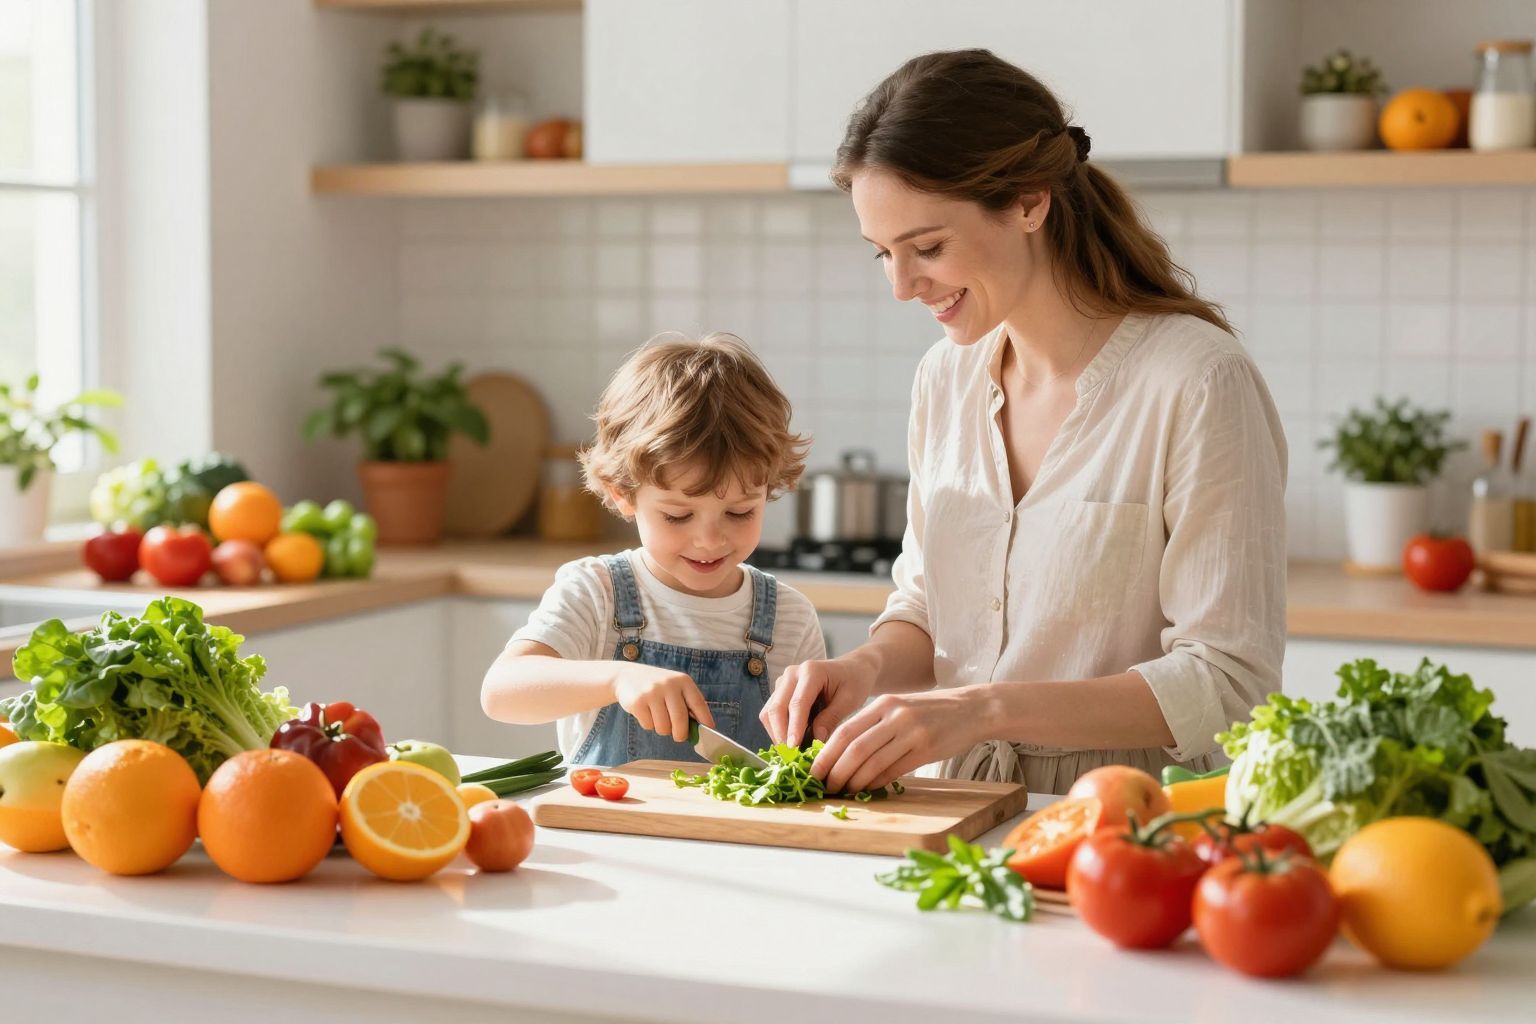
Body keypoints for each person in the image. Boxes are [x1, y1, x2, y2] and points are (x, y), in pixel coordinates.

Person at [761, 49, 1288, 797]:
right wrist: (862, 671)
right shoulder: (944, 378)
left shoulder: (1197, 382)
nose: (903, 287)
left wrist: (978, 710)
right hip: (951, 805)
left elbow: (1227, 680)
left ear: (1029, 203)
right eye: (883, 254)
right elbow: (926, 604)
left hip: (1126, 824)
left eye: (928, 248)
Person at [482, 333, 825, 766]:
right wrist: (617, 677)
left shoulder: (790, 619)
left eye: (739, 512)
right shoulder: (597, 592)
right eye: (678, 516)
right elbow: (501, 692)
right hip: (609, 834)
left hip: (740, 836)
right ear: (622, 493)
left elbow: (808, 756)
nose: (710, 540)